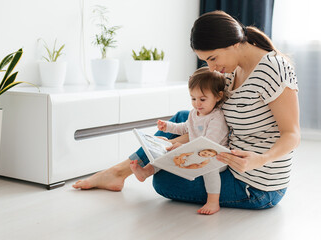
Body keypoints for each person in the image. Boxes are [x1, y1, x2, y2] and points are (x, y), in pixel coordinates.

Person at [73, 10, 300, 212]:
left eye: (212, 58)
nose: (212, 68)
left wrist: (259, 159)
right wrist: (181, 144)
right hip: (226, 157)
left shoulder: (274, 70)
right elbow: (214, 122)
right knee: (186, 116)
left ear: (233, 43)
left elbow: (292, 134)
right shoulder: (231, 71)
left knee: (163, 182)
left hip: (257, 185)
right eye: (205, 61)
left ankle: (121, 172)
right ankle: (120, 171)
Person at [130, 67, 229, 215]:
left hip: (215, 156)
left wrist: (182, 147)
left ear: (218, 96)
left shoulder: (217, 117)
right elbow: (185, 128)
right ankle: (147, 171)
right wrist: (168, 127)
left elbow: (209, 143)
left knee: (211, 171)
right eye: (193, 98)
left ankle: (213, 201)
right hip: (195, 151)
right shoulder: (195, 113)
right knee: (167, 155)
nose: (197, 103)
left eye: (202, 99)